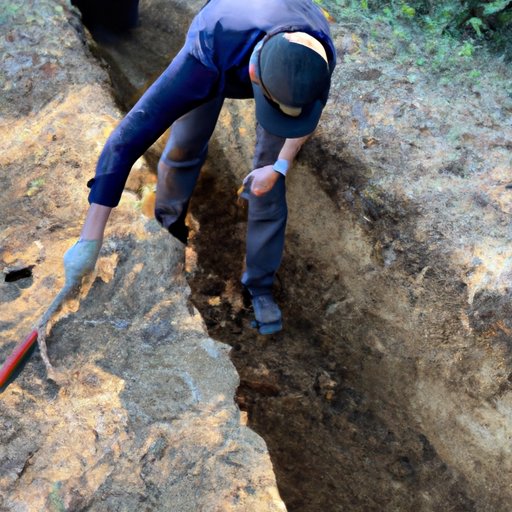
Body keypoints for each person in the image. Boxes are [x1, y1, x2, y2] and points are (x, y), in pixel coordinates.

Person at [64, 0, 337, 335]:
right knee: (185, 144)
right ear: (254, 75)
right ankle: (169, 227)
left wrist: (279, 166)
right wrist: (89, 242)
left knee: (268, 184)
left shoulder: (315, 60)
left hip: (277, 57)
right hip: (220, 49)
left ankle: (259, 286)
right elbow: (125, 141)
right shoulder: (207, 53)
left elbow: (307, 117)